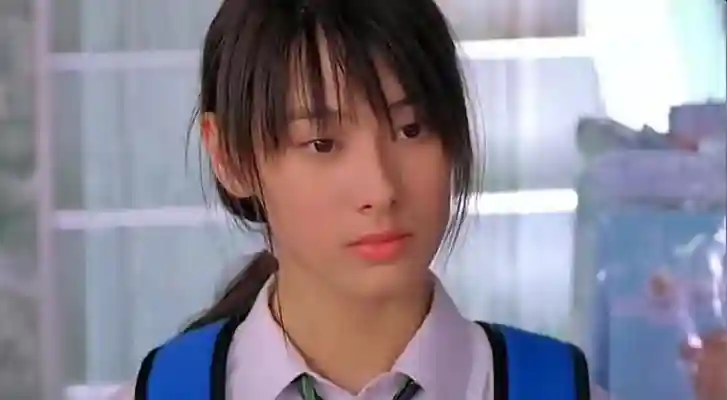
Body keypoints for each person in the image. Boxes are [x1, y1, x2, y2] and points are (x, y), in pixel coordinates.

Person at [113, 0, 592, 399]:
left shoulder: (559, 389)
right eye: (322, 143)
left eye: (411, 129)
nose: (380, 190)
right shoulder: (162, 391)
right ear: (230, 157)